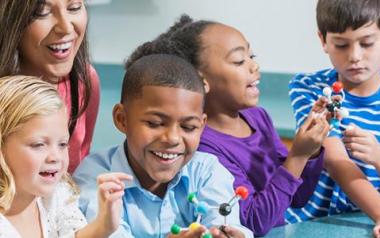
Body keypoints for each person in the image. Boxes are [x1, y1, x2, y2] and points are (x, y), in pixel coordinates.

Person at [127, 15, 332, 236]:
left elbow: (299, 197)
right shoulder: (202, 145)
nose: (254, 66)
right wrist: (298, 157)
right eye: (239, 61)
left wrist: (310, 151)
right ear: (200, 80)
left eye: (251, 56)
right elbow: (252, 222)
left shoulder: (257, 117)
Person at [73, 54, 253, 238]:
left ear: (202, 126)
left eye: (188, 127)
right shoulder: (99, 178)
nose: (173, 138)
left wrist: (229, 235)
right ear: (122, 119)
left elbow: (224, 221)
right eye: (154, 123)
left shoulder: (207, 171)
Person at [285, 0, 380, 237]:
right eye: (341, 45)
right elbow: (335, 160)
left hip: (370, 225)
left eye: (367, 43)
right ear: (323, 40)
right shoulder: (309, 88)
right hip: (310, 224)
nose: (355, 56)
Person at [0, 75, 132, 237]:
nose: (55, 157)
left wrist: (104, 226)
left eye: (62, 144)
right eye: (39, 145)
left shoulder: (56, 195)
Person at [0, 0, 100, 173]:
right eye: (41, 12)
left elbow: (76, 178)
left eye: (74, 8)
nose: (66, 28)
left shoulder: (84, 80)